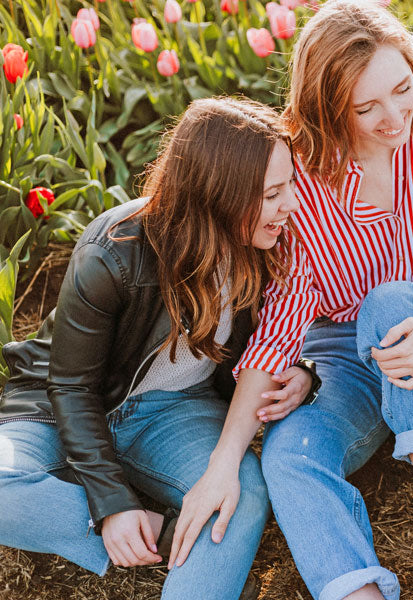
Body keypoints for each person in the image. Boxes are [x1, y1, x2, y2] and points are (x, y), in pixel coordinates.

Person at [192, 1, 413, 599]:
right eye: (366, 108)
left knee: (391, 307)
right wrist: (226, 458)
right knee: (289, 456)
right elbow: (282, 322)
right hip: (343, 357)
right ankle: (359, 592)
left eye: (402, 89)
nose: (394, 117)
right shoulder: (300, 170)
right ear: (328, 108)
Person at [0, 97, 317, 600]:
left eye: (290, 186)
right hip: (61, 406)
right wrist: (112, 504)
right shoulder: (113, 251)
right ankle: (160, 531)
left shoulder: (275, 244)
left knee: (241, 496)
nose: (291, 205)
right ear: (218, 196)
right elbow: (72, 386)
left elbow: (285, 330)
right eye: (273, 193)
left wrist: (302, 370)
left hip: (176, 412)